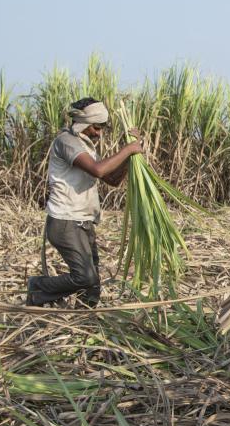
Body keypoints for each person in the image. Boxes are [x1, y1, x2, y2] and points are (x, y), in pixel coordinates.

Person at [26, 98, 143, 307]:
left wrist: (132, 157)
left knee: (92, 286)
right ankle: (38, 287)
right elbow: (97, 170)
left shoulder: (86, 147)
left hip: (83, 221)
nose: (99, 133)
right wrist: (128, 149)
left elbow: (112, 180)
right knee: (85, 277)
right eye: (96, 128)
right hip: (65, 222)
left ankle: (83, 320)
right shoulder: (66, 142)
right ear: (83, 123)